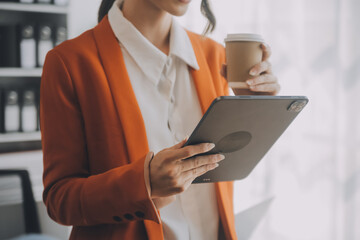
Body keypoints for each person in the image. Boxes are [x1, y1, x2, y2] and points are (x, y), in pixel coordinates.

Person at [40, 0, 280, 239]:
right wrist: (143, 183)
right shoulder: (70, 62)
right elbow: (59, 200)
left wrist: (255, 108)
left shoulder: (215, 56)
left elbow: (226, 163)